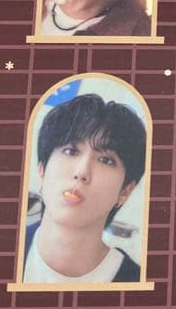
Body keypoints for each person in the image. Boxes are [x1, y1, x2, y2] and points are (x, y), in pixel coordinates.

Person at [23, 93, 147, 283]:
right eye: (71, 151)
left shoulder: (136, 281)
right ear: (42, 169)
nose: (81, 172)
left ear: (125, 191)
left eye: (105, 160)